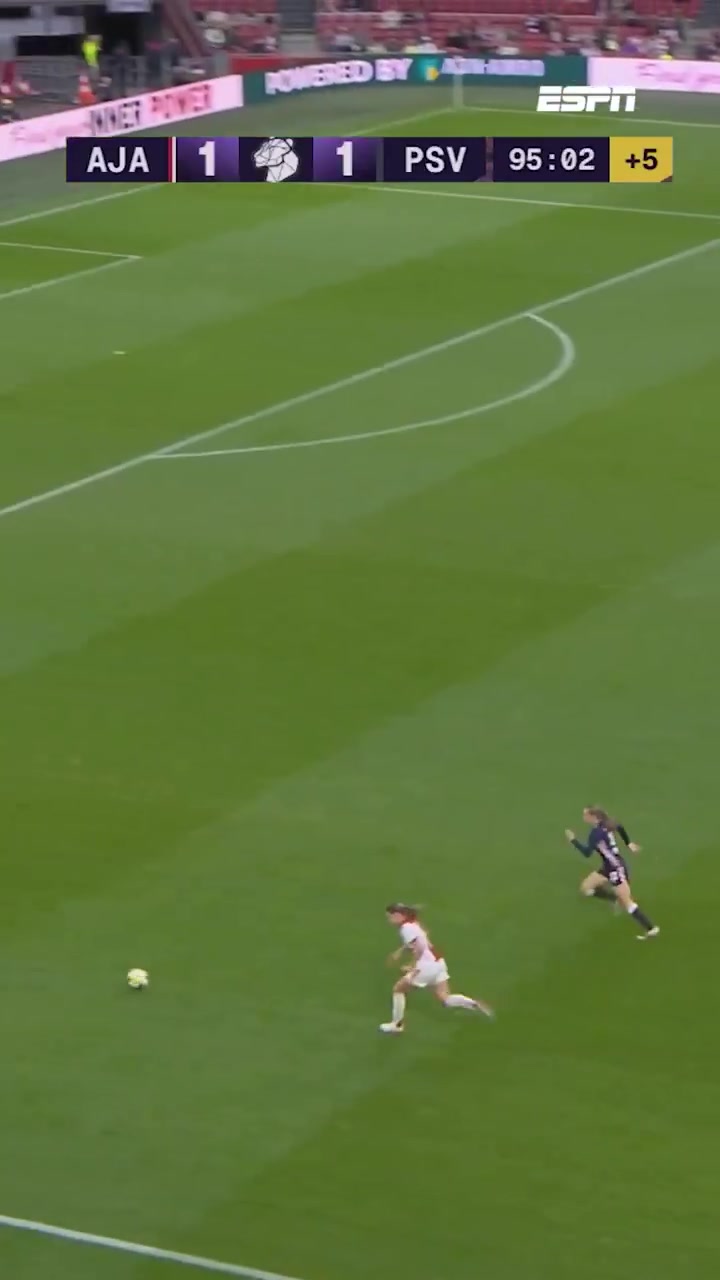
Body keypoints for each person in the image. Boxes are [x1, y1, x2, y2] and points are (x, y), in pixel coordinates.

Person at [380, 904, 493, 1034]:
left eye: (390, 917)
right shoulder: (414, 924)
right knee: (445, 998)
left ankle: (397, 1025)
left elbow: (419, 948)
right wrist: (399, 952)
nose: (389, 921)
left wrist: (412, 966)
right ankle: (472, 1004)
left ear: (399, 915)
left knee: (398, 989)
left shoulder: (406, 928)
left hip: (425, 966)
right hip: (438, 962)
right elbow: (420, 939)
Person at [565, 807, 659, 939]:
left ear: (593, 817)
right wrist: (628, 843)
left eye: (586, 815)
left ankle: (651, 929)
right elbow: (619, 826)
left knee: (627, 902)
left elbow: (587, 853)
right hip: (608, 867)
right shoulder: (607, 823)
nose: (584, 817)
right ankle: (614, 899)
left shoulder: (595, 834)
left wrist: (573, 840)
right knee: (585, 888)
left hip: (616, 868)